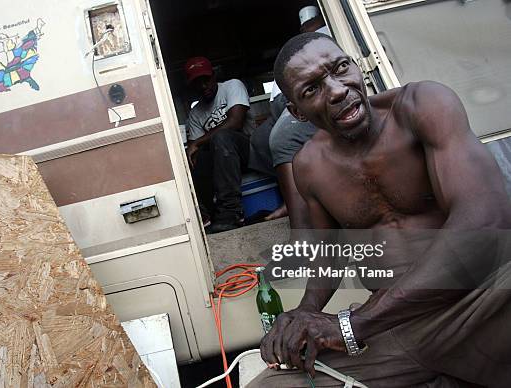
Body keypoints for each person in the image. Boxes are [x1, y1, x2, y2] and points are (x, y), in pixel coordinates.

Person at [248, 32, 511, 387]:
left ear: (357, 66)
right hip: (396, 326)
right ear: (297, 112)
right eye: (312, 90)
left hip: (480, 298)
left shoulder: (422, 105)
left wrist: (353, 326)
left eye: (340, 68)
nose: (337, 90)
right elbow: (331, 253)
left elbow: (485, 223)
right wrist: (306, 314)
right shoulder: (308, 165)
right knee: (271, 386)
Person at [249, 5, 330, 227]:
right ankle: (292, 192)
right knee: (258, 140)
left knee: (282, 137)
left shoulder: (330, 31)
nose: (306, 27)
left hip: (299, 99)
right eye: (304, 24)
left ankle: (300, 199)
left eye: (310, 22)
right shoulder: (300, 42)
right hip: (280, 102)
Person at [185, 56, 253, 234]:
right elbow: (194, 150)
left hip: (248, 151)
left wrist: (198, 142)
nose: (203, 86)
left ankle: (232, 212)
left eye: (206, 80)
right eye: (197, 83)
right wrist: (194, 147)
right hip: (222, 164)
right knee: (194, 155)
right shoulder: (195, 113)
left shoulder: (232, 86)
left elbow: (236, 122)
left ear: (214, 76)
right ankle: (206, 213)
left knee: (222, 137)